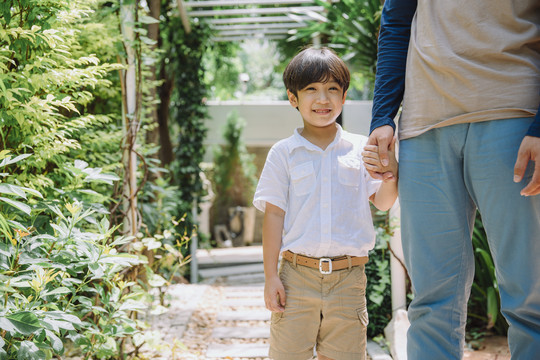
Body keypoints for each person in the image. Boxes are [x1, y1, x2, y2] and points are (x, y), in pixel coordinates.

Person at [367, 1, 540, 359]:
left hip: (512, 114)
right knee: (432, 302)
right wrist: (382, 116)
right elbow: (396, 23)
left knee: (530, 297)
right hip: (424, 125)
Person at [253, 47, 398, 360]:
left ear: (344, 97)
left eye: (332, 89)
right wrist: (270, 277)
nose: (323, 99)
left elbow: (383, 203)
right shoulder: (283, 153)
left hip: (349, 279)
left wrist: (391, 173)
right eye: (311, 90)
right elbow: (274, 216)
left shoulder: (362, 149)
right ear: (293, 98)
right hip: (296, 276)